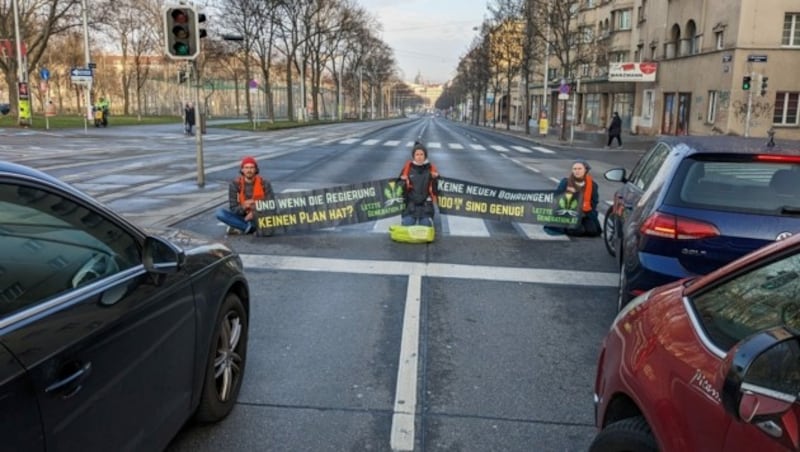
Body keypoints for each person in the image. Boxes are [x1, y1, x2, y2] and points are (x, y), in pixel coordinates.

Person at [216, 156, 274, 235]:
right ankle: (250, 228)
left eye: (251, 167)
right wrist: (244, 206)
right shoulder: (235, 184)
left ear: (256, 169)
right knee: (220, 213)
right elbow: (233, 208)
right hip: (243, 217)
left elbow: (271, 204)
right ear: (242, 170)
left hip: (260, 216)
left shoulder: (264, 183)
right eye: (246, 168)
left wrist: (254, 213)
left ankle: (242, 227)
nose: (249, 170)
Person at [544, 160, 601, 237]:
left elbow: (594, 202)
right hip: (568, 214)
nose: (577, 171)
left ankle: (581, 224)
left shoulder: (593, 185)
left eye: (579, 169)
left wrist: (585, 212)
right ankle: (566, 227)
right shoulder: (565, 182)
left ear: (585, 170)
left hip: (585, 214)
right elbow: (558, 199)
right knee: (578, 231)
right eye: (574, 169)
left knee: (593, 231)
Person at [398, 142, 439, 227]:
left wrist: (436, 179)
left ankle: (427, 219)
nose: (419, 157)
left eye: (421, 154)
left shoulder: (431, 169)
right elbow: (399, 189)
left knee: (425, 226)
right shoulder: (407, 168)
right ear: (414, 156)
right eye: (417, 154)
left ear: (425, 156)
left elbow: (437, 190)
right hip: (410, 205)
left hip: (426, 206)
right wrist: (403, 182)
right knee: (407, 225)